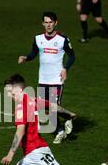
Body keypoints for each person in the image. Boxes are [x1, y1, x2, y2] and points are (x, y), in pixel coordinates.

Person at [18, 11, 76, 144]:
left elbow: (72, 56)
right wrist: (25, 58)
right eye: (46, 22)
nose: (48, 25)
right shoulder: (38, 38)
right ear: (42, 23)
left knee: (52, 107)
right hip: (43, 79)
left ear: (56, 23)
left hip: (56, 80)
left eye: (51, 22)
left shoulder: (62, 39)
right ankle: (67, 118)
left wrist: (65, 69)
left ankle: (60, 131)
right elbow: (33, 53)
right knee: (44, 107)